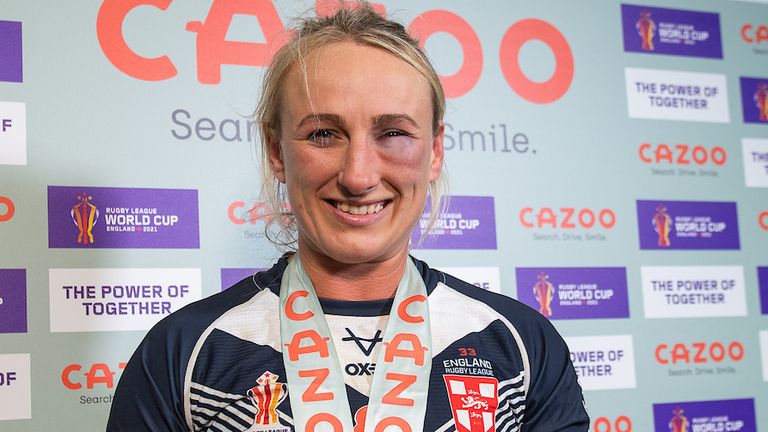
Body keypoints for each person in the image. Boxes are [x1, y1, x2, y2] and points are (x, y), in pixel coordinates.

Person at [107, 4, 589, 431]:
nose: (358, 175)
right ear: (277, 150)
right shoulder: (185, 353)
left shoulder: (522, 345)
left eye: (394, 132)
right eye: (322, 134)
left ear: (436, 149)